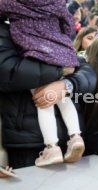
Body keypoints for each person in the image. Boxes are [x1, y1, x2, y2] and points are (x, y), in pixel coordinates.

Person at [0, 0, 87, 167]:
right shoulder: (56, 2)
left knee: (44, 100)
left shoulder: (12, 3)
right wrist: (63, 39)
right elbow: (69, 23)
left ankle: (51, 147)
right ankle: (76, 136)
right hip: (60, 51)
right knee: (62, 97)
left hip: (35, 53)